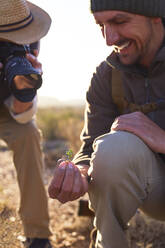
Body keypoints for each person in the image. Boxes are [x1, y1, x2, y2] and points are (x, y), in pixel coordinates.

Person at [48, 0, 165, 247]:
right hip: (155, 190)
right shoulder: (106, 76)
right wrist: (75, 166)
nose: (109, 38)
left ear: (156, 16)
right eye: (101, 25)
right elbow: (88, 146)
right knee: (112, 148)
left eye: (119, 21)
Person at [0, 0, 52, 247]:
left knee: (28, 134)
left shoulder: (29, 44)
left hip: (6, 108)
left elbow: (23, 116)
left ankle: (38, 235)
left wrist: (25, 90)